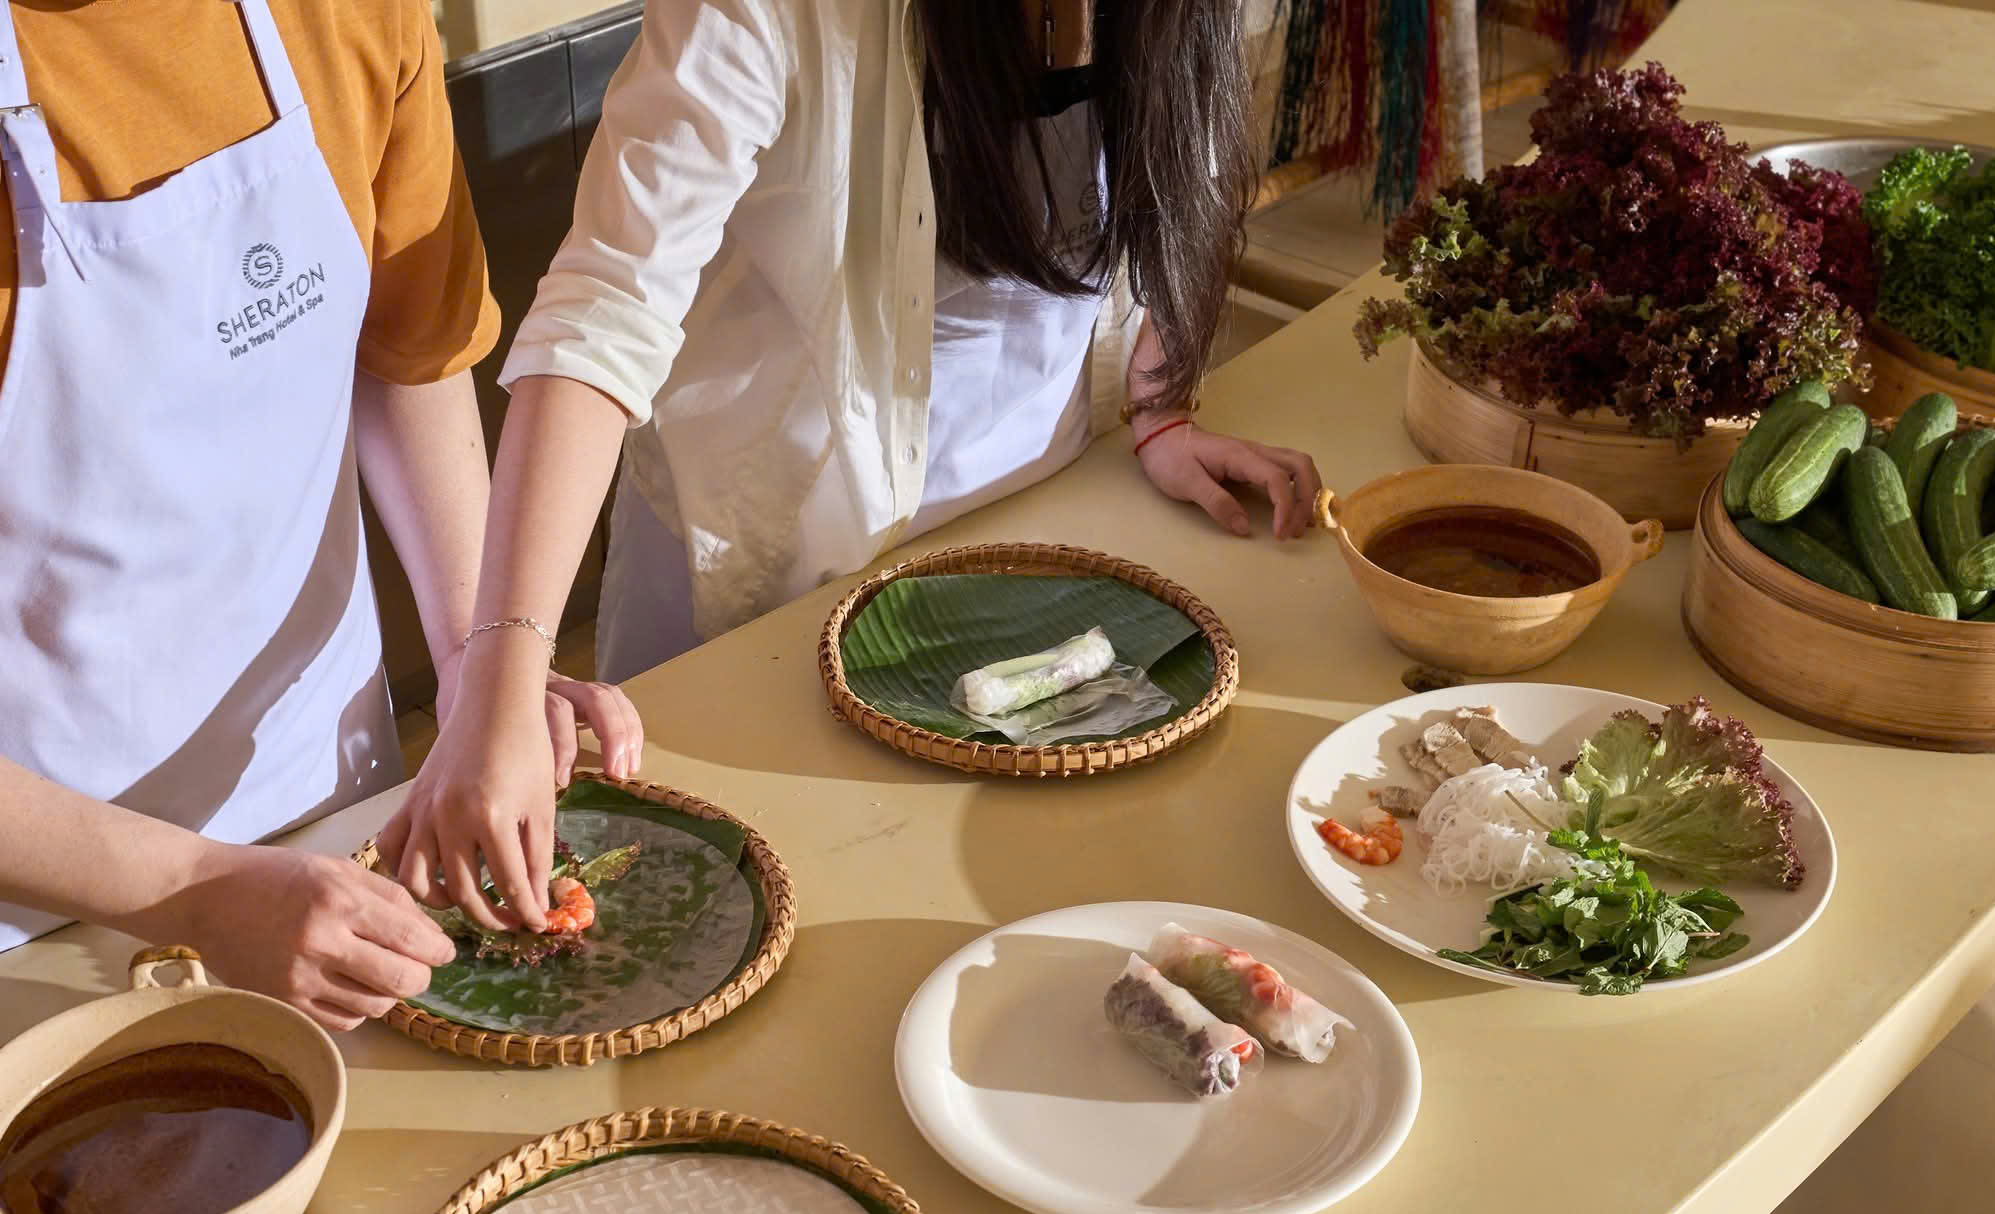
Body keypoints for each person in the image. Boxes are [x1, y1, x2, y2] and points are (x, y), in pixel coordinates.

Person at [379, 0, 1318, 914]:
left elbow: (1164, 170)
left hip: (1028, 555)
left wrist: (1160, 409)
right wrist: (497, 681)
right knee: (737, 902)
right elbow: (607, 305)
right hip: (774, 573)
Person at [0, 0, 640, 1030]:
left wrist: (476, 663)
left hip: (334, 810)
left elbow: (406, 344)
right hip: (20, 920)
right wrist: (191, 889)